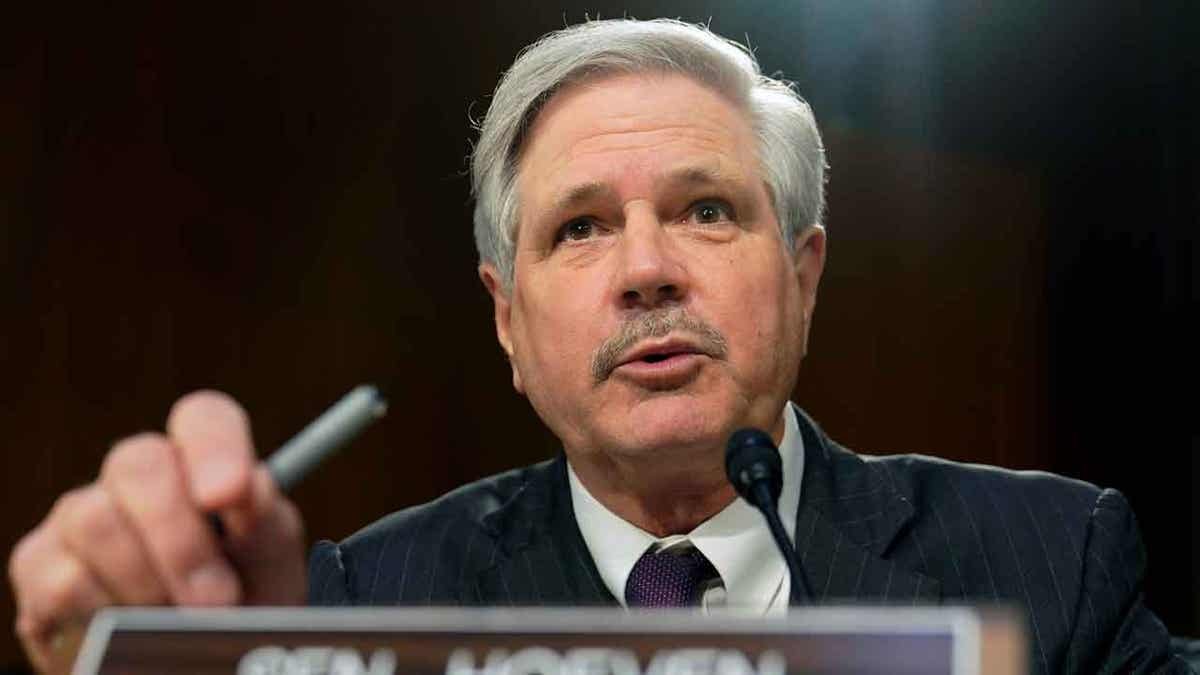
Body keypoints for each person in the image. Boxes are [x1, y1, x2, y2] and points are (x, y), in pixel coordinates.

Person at [8, 18, 1190, 674]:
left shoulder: (1056, 561)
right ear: (508, 322)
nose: (646, 268)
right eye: (580, 228)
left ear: (802, 277)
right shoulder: (363, 607)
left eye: (706, 210)